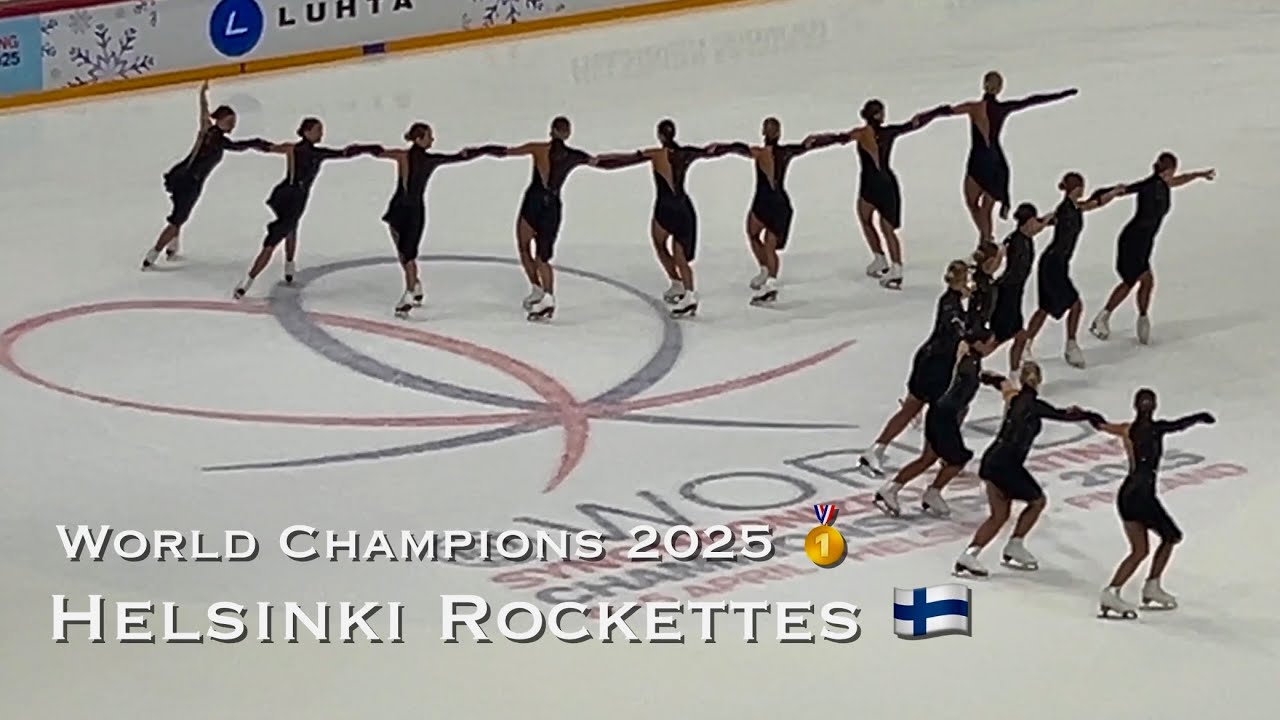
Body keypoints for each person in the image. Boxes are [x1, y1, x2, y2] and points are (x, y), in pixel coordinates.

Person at [953, 362, 1103, 577]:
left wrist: (987, 377)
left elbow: (1002, 384)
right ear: (1039, 380)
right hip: (1007, 465)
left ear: (1021, 380)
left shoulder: (1014, 398)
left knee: (999, 515)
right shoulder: (1035, 406)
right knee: (1037, 501)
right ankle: (1015, 544)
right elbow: (1064, 415)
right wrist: (1089, 415)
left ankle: (969, 555)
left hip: (993, 460)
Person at [482, 116, 635, 321]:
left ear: (551, 130)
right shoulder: (574, 156)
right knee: (543, 256)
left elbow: (506, 152)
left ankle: (538, 288)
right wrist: (635, 158)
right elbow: (602, 163)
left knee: (524, 246)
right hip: (552, 207)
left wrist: (480, 150)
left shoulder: (538, 149)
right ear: (567, 133)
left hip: (533, 203)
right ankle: (546, 295)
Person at [589, 119, 741, 317]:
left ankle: (676, 282)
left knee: (659, 243)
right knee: (681, 256)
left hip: (665, 209)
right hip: (684, 208)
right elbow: (711, 151)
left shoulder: (656, 154)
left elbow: (626, 160)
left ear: (660, 135)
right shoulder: (686, 153)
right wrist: (733, 147)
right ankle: (688, 293)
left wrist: (599, 161)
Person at [1089, 389, 1215, 618]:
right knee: (1171, 536)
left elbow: (1101, 425)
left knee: (1140, 550)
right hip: (1143, 496)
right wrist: (1199, 417)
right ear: (1154, 406)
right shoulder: (1157, 429)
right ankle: (1150, 586)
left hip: (1128, 495)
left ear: (1135, 406)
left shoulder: (1127, 429)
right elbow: (1179, 425)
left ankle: (1113, 591)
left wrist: (1087, 415)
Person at [352, 123, 486, 317]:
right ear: (419, 139)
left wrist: (361, 148)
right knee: (405, 253)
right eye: (429, 136)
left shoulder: (405, 156)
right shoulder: (420, 158)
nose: (432, 139)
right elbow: (457, 157)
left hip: (402, 209)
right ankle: (414, 284)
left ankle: (409, 292)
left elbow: (378, 152)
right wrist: (475, 152)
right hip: (408, 211)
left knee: (407, 254)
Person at [232, 118, 373, 299]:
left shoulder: (292, 148)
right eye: (317, 130)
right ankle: (247, 282)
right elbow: (343, 154)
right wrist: (364, 149)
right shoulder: (315, 153)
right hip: (294, 199)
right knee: (275, 239)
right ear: (306, 132)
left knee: (292, 227)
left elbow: (267, 147)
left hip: (282, 195)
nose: (321, 133)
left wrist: (251, 143)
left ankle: (289, 267)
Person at [1089, 152, 1215, 344]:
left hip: (1145, 241)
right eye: (1173, 171)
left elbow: (1180, 180)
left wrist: (1199, 174)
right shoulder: (1149, 186)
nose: (1174, 174)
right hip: (1133, 241)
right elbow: (1124, 190)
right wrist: (1104, 195)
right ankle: (1106, 317)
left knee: (1145, 282)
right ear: (1167, 170)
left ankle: (1140, 317)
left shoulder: (1163, 183)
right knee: (1134, 281)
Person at [859, 260, 969, 477]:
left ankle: (877, 449)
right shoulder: (950, 304)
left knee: (917, 407)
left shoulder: (953, 301)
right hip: (936, 365)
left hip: (931, 360)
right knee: (943, 409)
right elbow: (959, 330)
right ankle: (939, 452)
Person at [142, 80, 269, 268]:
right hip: (190, 182)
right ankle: (152, 255)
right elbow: (237, 146)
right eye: (230, 122)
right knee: (177, 219)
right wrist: (256, 142)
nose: (233, 126)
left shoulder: (207, 128)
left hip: (181, 175)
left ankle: (172, 246)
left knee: (180, 214)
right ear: (220, 120)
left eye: (234, 122)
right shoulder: (217, 140)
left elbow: (203, 110)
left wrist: (203, 94)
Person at [716, 117, 843, 304]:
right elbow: (808, 145)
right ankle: (768, 276)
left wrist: (719, 148)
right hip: (778, 203)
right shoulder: (786, 152)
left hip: (764, 202)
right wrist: (832, 139)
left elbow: (737, 148)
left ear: (763, 132)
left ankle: (768, 279)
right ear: (779, 133)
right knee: (764, 241)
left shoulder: (759, 153)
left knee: (757, 236)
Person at [874, 337, 1003, 518]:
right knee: (957, 460)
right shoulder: (965, 361)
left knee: (928, 458)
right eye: (990, 343)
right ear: (978, 343)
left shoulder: (972, 361)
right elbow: (961, 374)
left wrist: (987, 378)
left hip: (941, 415)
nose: (993, 347)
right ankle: (931, 491)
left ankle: (894, 489)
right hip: (943, 418)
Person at [948, 72, 1077, 243]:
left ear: (984, 85)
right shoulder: (1002, 108)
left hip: (979, 159)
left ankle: (986, 240)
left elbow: (946, 111)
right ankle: (986, 240)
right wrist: (1062, 94)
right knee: (986, 207)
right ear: (1000, 88)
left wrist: (921, 119)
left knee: (972, 202)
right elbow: (1031, 100)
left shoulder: (974, 108)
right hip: (996, 161)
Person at [1016, 173, 1122, 368]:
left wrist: (1114, 192)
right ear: (1075, 189)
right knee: (1075, 304)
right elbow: (1045, 222)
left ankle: (1026, 344)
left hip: (1058, 263)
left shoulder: (1075, 207)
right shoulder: (1064, 210)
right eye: (1080, 187)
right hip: (1052, 265)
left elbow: (1095, 203)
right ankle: (1071, 345)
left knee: (1045, 309)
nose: (1083, 189)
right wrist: (1031, 227)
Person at [846, 99, 951, 288]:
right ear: (878, 115)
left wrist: (812, 143)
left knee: (866, 220)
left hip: (869, 184)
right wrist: (935, 112)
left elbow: (837, 138)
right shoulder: (889, 132)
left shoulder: (860, 134)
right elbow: (914, 124)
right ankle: (893, 266)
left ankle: (882, 259)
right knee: (886, 228)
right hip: (887, 184)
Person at [987, 203, 1053, 371]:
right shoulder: (1014, 242)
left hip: (1015, 294)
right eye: (1034, 220)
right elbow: (998, 262)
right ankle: (970, 359)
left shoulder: (1025, 235)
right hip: (1006, 295)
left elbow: (1041, 224)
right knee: (1000, 339)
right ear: (1028, 221)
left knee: (1019, 336)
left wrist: (1053, 215)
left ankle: (1014, 373)